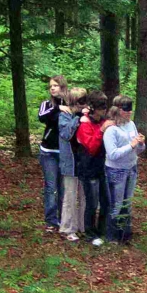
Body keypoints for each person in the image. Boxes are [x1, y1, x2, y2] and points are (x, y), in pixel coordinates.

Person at [104, 95, 145, 243]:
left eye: (130, 109)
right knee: (116, 204)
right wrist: (131, 145)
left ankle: (125, 234)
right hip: (116, 171)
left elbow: (138, 150)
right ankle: (112, 236)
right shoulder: (111, 129)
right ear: (117, 110)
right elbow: (112, 154)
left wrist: (140, 143)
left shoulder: (131, 124)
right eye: (126, 109)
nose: (129, 112)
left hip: (131, 168)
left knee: (127, 203)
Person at [76, 91, 111, 246]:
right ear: (92, 107)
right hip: (88, 169)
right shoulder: (84, 125)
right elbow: (91, 147)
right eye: (100, 107)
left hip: (103, 167)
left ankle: (103, 230)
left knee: (106, 201)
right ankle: (90, 233)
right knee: (92, 203)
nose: (103, 110)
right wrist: (101, 131)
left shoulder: (104, 121)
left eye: (104, 106)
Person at [38, 75, 70, 232]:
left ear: (63, 87)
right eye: (51, 86)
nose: (52, 88)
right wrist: (57, 108)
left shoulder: (71, 103)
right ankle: (51, 222)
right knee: (51, 187)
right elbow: (42, 117)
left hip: (65, 153)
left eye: (55, 85)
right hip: (48, 153)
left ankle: (64, 219)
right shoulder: (47, 104)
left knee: (63, 188)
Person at [58, 88, 87, 241]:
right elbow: (66, 134)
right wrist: (77, 119)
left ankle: (83, 226)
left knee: (84, 196)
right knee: (70, 196)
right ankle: (68, 228)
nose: (84, 104)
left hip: (83, 161)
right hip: (70, 162)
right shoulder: (64, 116)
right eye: (81, 101)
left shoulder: (85, 115)